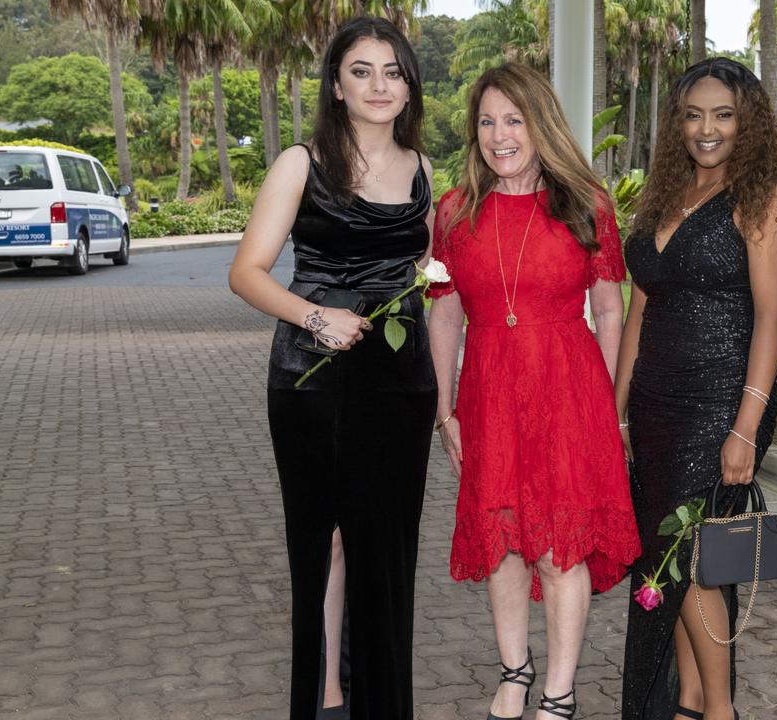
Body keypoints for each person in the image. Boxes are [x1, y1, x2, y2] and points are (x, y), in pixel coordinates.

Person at [227, 17, 435, 720]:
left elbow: (427, 279)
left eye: (393, 71)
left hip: (401, 383)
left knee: (387, 549)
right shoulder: (301, 162)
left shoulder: (423, 170)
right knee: (329, 540)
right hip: (313, 377)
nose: (380, 85)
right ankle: (327, 697)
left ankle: (382, 701)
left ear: (409, 87)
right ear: (337, 86)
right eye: (362, 71)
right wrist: (317, 316)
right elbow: (246, 274)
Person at [426, 62, 642, 720]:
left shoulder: (587, 205)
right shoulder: (456, 212)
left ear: (539, 123)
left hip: (569, 390)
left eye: (513, 120)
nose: (499, 135)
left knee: (558, 546)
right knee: (503, 543)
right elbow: (443, 314)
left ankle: (560, 690)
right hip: (489, 391)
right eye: (487, 122)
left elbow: (610, 308)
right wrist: (445, 409)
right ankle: (516, 670)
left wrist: (602, 401)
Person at [616, 58, 777, 720]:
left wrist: (745, 427)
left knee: (689, 558)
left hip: (721, 402)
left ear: (747, 123)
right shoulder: (664, 197)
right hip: (657, 405)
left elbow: (772, 319)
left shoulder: (762, 201)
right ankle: (688, 702)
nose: (707, 129)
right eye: (693, 115)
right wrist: (619, 415)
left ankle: (720, 711)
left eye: (723, 115)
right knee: (668, 556)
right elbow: (640, 311)